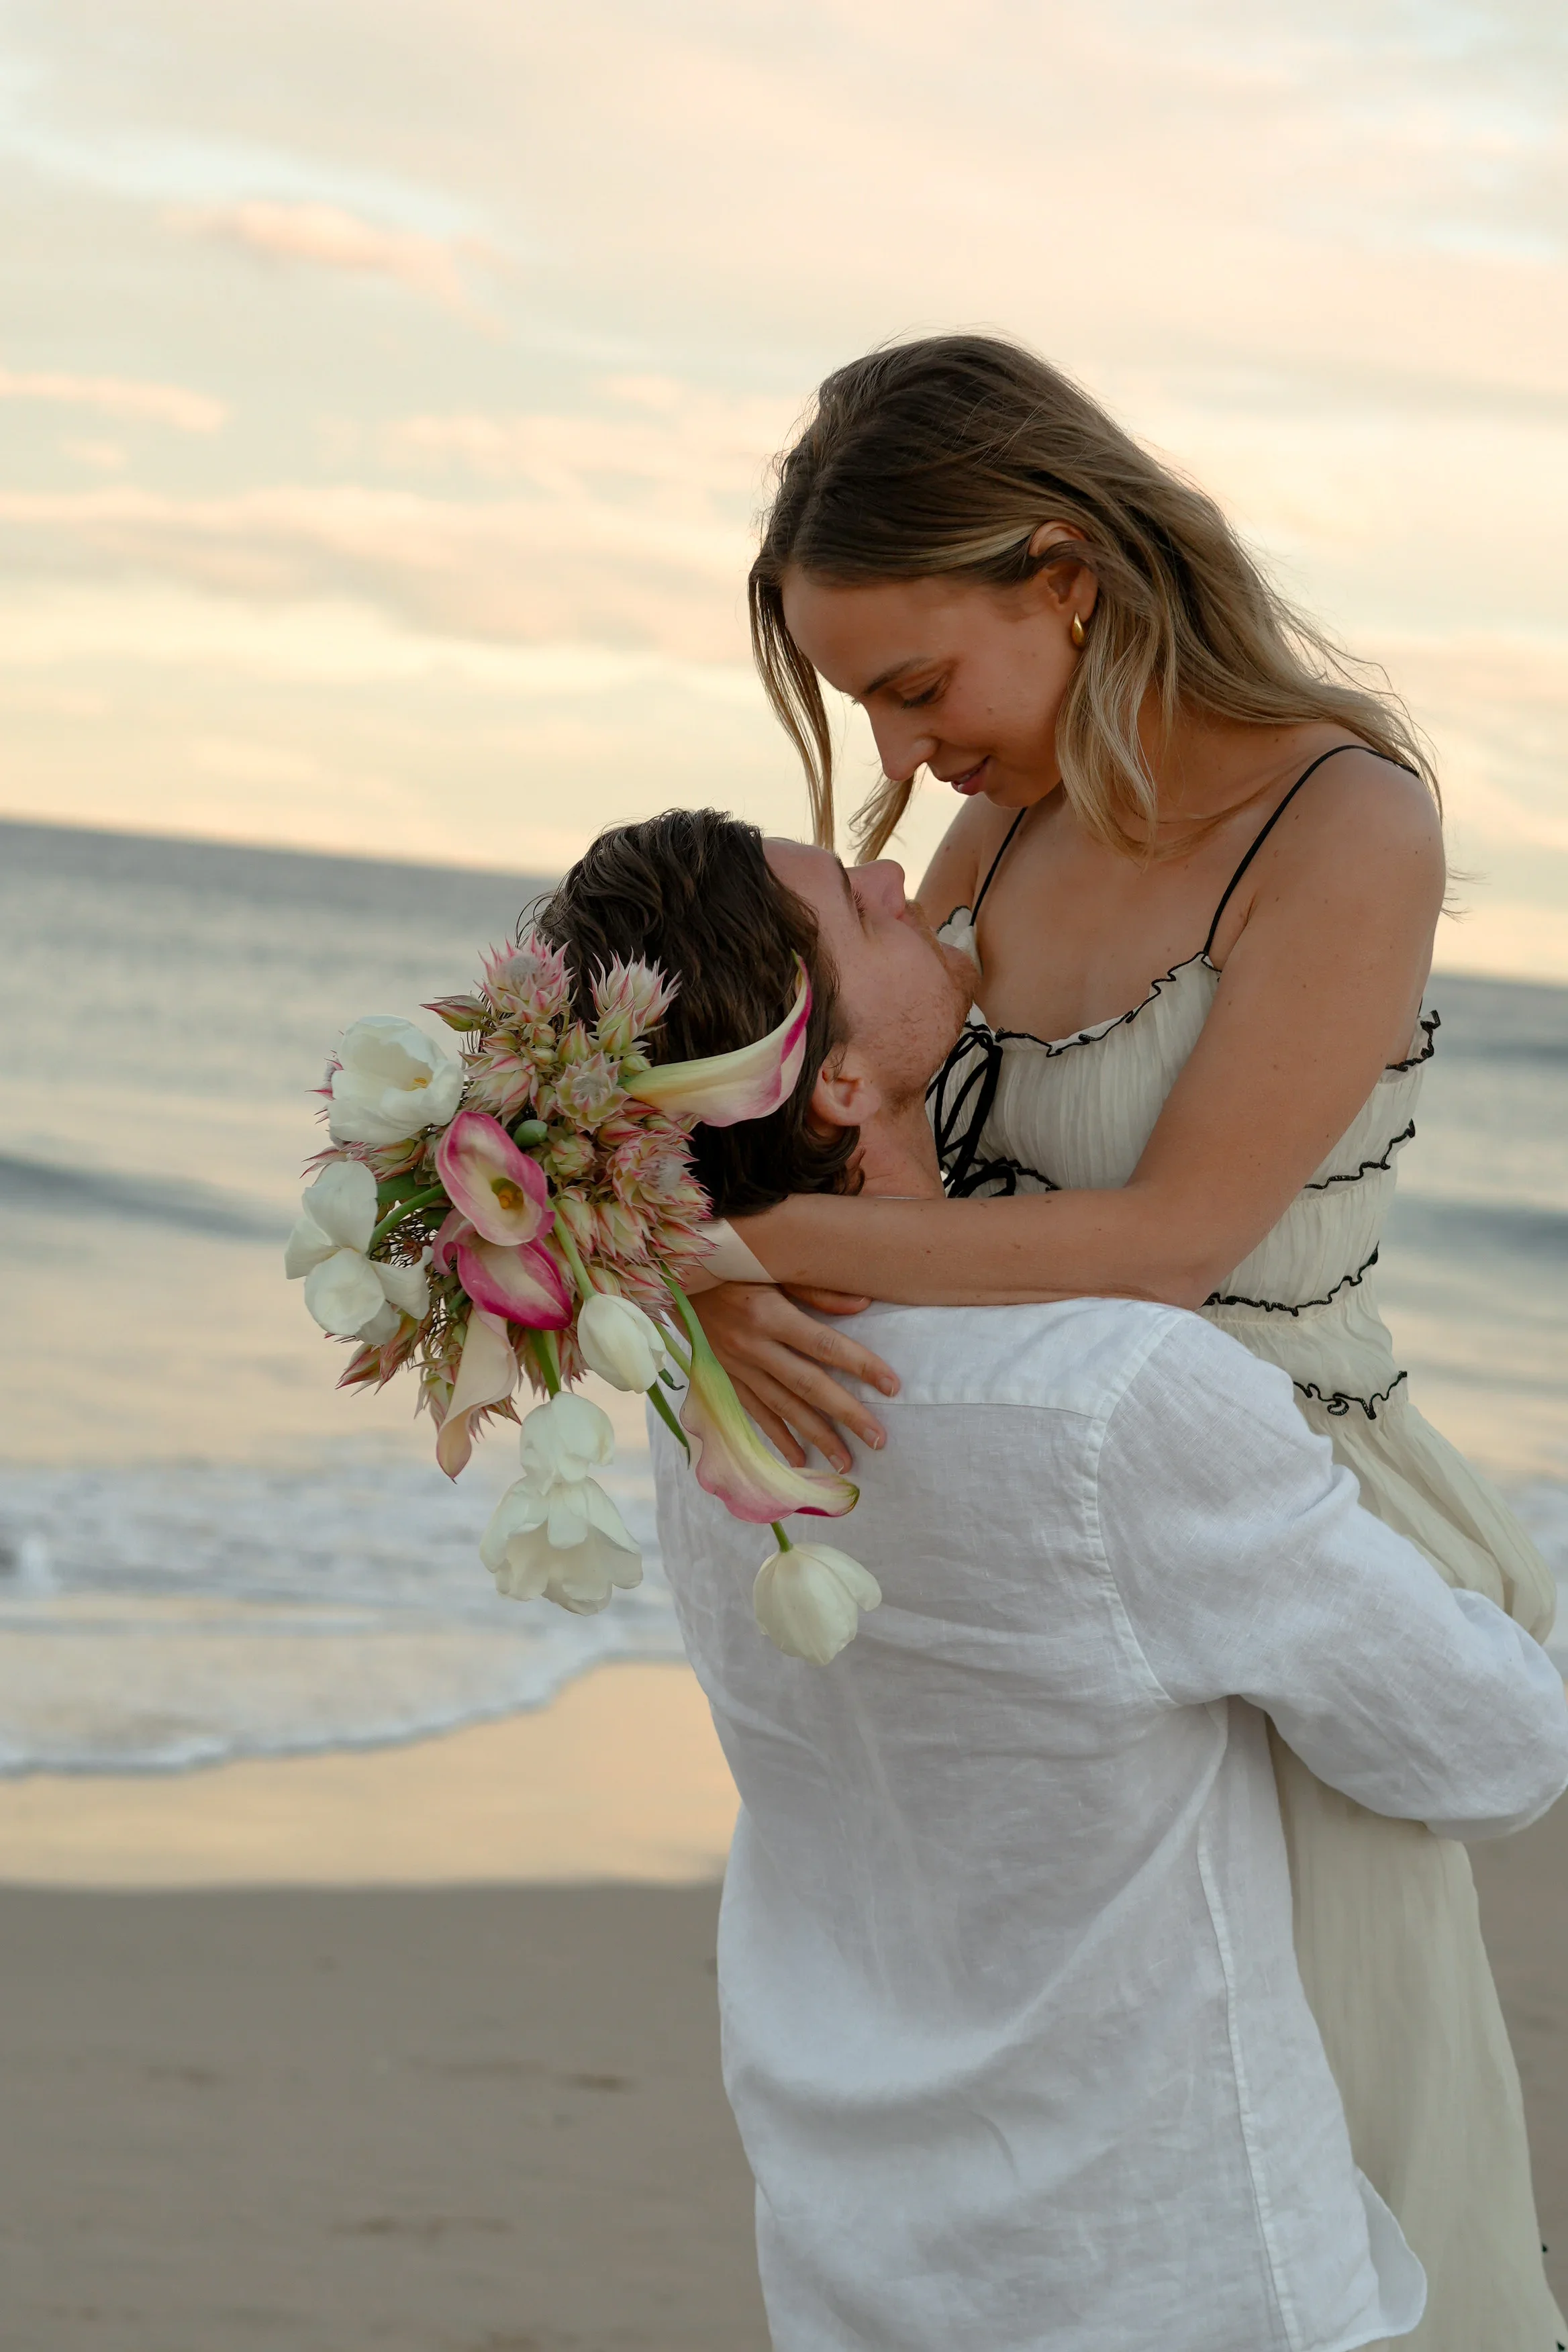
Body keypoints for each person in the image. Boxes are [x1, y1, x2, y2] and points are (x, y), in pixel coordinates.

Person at [689, 336, 1563, 2351]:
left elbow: (1173, 1244)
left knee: (1328, 2128)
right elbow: (882, 1115)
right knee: (1074, 2141)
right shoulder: (1007, 818)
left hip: (1281, 1516)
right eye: (859, 708)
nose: (901, 754)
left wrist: (729, 1245)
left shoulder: (1345, 824)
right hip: (1039, 1519)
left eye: (920, 685)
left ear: (1064, 576)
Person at [536, 807, 1568, 2352]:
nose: (901, 875)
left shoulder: (697, 1402)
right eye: (860, 908)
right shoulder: (1115, 1394)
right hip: (1166, 2263)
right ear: (829, 1080)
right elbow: (1495, 1754)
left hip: (853, 2234)